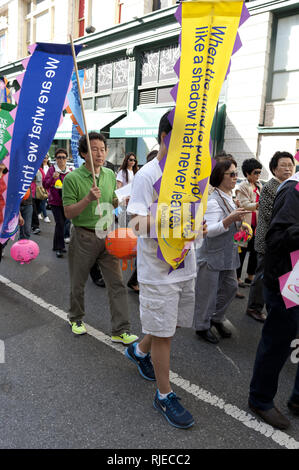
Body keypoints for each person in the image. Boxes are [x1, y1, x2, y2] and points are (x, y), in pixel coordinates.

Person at [126, 112, 202, 429]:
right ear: (164, 135)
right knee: (166, 334)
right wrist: (170, 219)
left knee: (169, 326)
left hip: (185, 265)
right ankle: (164, 394)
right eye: (184, 136)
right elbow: (133, 224)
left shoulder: (190, 175)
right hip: (157, 272)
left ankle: (139, 350)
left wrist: (199, 227)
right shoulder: (147, 175)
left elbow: (194, 218)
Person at [62, 131, 138, 345]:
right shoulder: (72, 179)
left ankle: (121, 329)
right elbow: (68, 213)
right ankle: (75, 318)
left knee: (117, 283)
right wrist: (87, 198)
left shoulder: (109, 175)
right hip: (83, 236)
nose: (100, 153)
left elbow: (111, 201)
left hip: (108, 235)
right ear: (84, 153)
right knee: (78, 281)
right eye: (94, 149)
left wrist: (121, 200)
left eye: (102, 149)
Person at [248, 170, 299, 430]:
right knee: (278, 341)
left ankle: (297, 397)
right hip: (286, 282)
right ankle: (260, 399)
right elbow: (277, 238)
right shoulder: (293, 190)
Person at [193, 158, 250, 344]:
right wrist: (228, 221)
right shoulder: (213, 201)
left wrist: (241, 227)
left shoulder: (229, 198)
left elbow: (230, 223)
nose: (235, 177)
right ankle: (202, 326)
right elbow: (208, 231)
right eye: (231, 174)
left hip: (226, 254)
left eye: (236, 173)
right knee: (207, 293)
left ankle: (216, 318)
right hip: (211, 254)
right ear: (220, 176)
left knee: (231, 287)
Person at [246, 151, 295, 322]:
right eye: (283, 165)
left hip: (281, 240)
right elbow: (268, 213)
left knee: (273, 275)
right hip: (268, 239)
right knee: (261, 275)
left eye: (290, 165)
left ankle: (268, 306)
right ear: (274, 169)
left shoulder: (291, 186)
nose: (288, 168)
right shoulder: (270, 187)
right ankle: (254, 307)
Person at [235, 158, 262, 288]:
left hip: (257, 225)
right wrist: (258, 204)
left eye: (259, 172)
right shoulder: (242, 187)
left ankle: (250, 276)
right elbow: (245, 204)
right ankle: (236, 278)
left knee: (255, 252)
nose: (258, 175)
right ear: (247, 173)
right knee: (241, 252)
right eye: (255, 172)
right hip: (245, 225)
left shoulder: (259, 185)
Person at [44, 148, 72, 258]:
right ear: (55, 159)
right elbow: (45, 185)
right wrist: (52, 178)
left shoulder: (70, 171)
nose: (61, 159)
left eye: (63, 157)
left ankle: (56, 246)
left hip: (66, 202)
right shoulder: (52, 170)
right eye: (59, 157)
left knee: (63, 223)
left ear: (67, 158)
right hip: (54, 202)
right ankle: (60, 248)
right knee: (60, 223)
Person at [38, 155, 51, 223]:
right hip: (40, 186)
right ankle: (45, 216)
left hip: (48, 186)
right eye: (44, 157)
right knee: (43, 201)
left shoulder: (50, 167)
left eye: (46, 158)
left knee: (43, 202)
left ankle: (39, 213)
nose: (45, 159)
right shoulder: (40, 167)